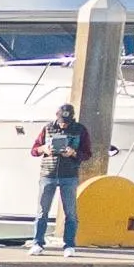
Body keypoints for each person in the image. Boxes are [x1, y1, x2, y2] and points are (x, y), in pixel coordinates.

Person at [29, 103, 91, 248]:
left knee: (70, 212)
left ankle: (69, 244)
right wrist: (43, 149)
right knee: (42, 211)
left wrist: (73, 153)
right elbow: (33, 150)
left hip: (69, 175)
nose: (63, 125)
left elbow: (87, 154)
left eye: (66, 123)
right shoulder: (47, 128)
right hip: (48, 174)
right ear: (57, 116)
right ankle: (38, 243)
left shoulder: (80, 130)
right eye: (62, 122)